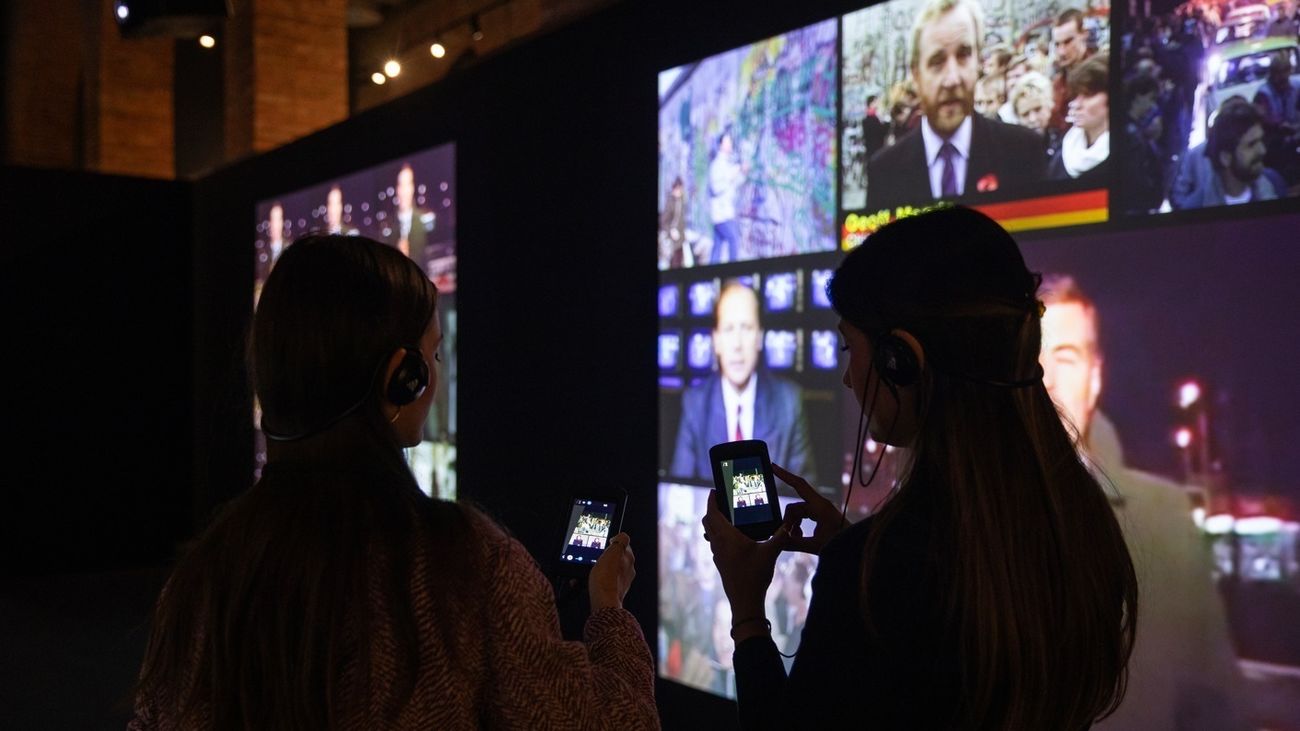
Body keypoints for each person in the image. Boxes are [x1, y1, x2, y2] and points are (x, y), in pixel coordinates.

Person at [130, 236, 657, 729]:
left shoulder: (201, 579)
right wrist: (608, 612)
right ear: (402, 378)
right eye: (434, 353)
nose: (433, 371)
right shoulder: (468, 566)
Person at [702, 207, 1137, 729]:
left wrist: (749, 612)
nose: (846, 377)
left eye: (850, 347)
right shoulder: (1082, 518)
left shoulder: (879, 571)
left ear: (900, 360)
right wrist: (855, 548)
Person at [1038, 274, 1246, 730]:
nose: (1047, 381)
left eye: (1066, 358)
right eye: (1029, 361)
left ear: (1095, 379)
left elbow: (1215, 709)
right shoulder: (958, 518)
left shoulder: (1165, 518)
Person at [866, 0, 1046, 215]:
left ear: (979, 61)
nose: (952, 79)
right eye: (936, 61)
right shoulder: (885, 171)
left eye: (963, 55)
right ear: (916, 75)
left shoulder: (1023, 151)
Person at [671, 281, 815, 484]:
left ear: (759, 337)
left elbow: (805, 498)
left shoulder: (789, 402)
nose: (737, 345)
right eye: (729, 329)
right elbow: (680, 497)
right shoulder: (694, 403)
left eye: (746, 328)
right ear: (716, 341)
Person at [1171, 101, 1279, 208]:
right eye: (1251, 145)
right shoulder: (1196, 207)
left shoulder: (1275, 184)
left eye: (1261, 141)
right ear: (1225, 158)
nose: (1262, 150)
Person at [1049, 55, 1110, 185]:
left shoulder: (1129, 148)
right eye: (1076, 95)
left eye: (1088, 95)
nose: (1077, 104)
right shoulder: (1065, 150)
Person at [1120, 73, 1167, 214]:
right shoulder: (1131, 135)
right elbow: (1137, 178)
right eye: (1151, 99)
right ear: (1138, 96)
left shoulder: (1137, 130)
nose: (1152, 106)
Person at [1050, 9, 1095, 132]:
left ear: (1084, 34)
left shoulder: (1101, 74)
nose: (1062, 52)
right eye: (1057, 44)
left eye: (1068, 41)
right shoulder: (1057, 84)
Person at [709, 131, 745, 264]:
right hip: (720, 214)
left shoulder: (727, 164)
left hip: (726, 212)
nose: (730, 144)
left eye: (730, 142)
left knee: (717, 248)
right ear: (720, 145)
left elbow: (733, 185)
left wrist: (742, 173)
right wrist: (733, 173)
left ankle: (710, 277)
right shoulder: (717, 165)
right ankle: (732, 274)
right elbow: (716, 187)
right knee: (733, 239)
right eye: (727, 142)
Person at [391, 164, 436, 269]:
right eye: (400, 185)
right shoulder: (389, 227)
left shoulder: (425, 220)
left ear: (413, 188)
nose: (404, 191)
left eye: (408, 184)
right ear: (397, 189)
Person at [256, 202, 286, 281]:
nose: (275, 225)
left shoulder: (290, 248)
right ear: (269, 223)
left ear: (282, 222)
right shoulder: (261, 253)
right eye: (272, 220)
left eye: (278, 219)